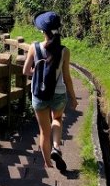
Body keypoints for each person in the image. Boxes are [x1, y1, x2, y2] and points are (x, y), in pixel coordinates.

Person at [23, 11, 78, 171]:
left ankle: (48, 163)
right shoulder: (64, 51)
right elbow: (67, 77)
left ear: (42, 31)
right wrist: (73, 98)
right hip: (59, 93)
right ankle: (56, 147)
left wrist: (39, 72)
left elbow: (26, 71)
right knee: (57, 119)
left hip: (39, 94)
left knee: (43, 131)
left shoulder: (34, 47)